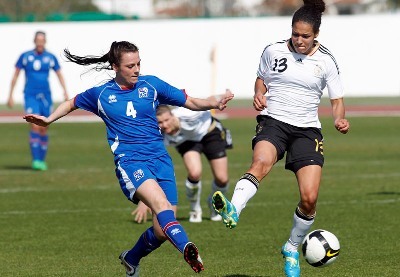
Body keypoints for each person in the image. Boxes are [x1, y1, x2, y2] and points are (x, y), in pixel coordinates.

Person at [23, 41, 234, 276]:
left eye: (138, 64)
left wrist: (213, 102)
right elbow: (72, 102)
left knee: (162, 229)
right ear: (115, 67)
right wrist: (49, 119)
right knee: (162, 206)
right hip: (131, 162)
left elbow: (191, 101)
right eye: (130, 65)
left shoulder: (151, 85)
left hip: (161, 160)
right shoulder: (101, 94)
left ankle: (131, 258)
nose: (136, 70)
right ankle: (188, 248)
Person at [211, 1, 350, 277]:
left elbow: (337, 100)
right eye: (295, 33)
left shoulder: (326, 61)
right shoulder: (272, 50)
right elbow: (261, 79)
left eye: (305, 36)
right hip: (273, 121)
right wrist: (258, 93)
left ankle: (291, 247)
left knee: (309, 199)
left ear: (316, 35)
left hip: (307, 130)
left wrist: (339, 119)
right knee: (261, 162)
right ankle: (233, 209)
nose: (298, 40)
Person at [131, 105, 232, 224]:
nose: (164, 125)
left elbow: (205, 105)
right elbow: (151, 163)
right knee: (194, 173)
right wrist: (144, 200)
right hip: (187, 142)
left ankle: (214, 203)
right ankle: (195, 209)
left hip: (209, 133)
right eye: (160, 122)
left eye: (167, 120)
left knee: (222, 179)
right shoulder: (158, 134)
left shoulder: (188, 114)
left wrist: (219, 100)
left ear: (173, 115)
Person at [7, 31, 68, 171]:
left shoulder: (50, 57)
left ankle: (41, 160)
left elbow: (59, 74)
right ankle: (35, 161)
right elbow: (15, 75)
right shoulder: (25, 56)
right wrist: (10, 95)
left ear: (45, 42)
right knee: (34, 125)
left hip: (46, 96)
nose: (40, 43)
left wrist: (65, 91)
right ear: (34, 41)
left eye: (42, 40)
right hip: (30, 96)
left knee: (44, 127)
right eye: (38, 40)